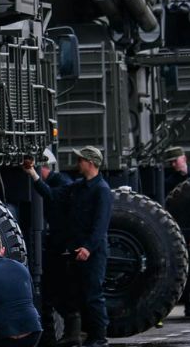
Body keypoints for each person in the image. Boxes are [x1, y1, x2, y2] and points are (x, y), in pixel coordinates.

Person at [27, 146, 111, 347]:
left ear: (90, 163)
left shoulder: (102, 190)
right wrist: (32, 173)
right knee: (75, 295)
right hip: (76, 251)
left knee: (93, 295)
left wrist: (88, 248)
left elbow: (100, 225)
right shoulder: (78, 187)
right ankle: (79, 335)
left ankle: (99, 338)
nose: (77, 163)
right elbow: (51, 195)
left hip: (92, 253)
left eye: (81, 160)